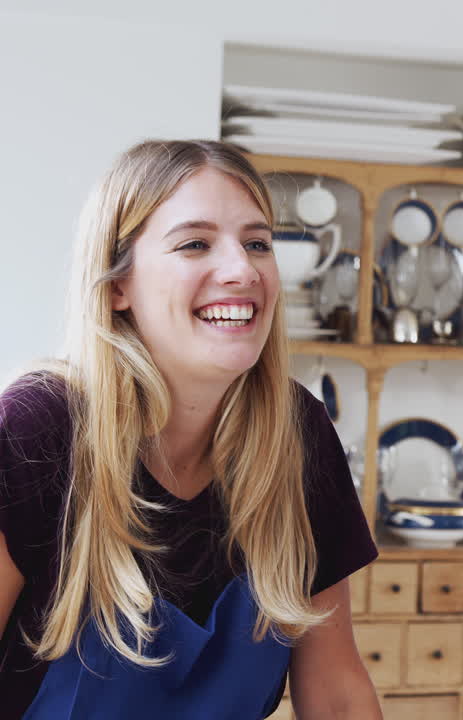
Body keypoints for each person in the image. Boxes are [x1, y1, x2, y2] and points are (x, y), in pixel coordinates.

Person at [0, 140, 381, 719]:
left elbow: (338, 696)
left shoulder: (297, 434)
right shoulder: (35, 431)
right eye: (195, 244)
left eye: (258, 243)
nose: (242, 269)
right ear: (117, 286)